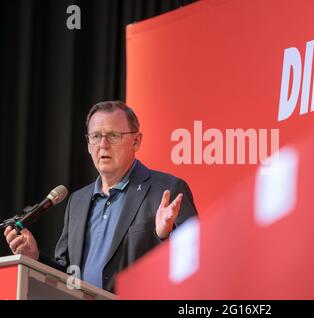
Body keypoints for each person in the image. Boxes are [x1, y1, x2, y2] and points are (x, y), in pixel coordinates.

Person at [3, 101, 198, 292]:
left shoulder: (167, 190)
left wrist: (163, 236)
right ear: (88, 144)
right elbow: (67, 275)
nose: (103, 145)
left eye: (114, 135)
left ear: (136, 141)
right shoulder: (77, 201)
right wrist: (34, 256)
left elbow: (193, 265)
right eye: (96, 136)